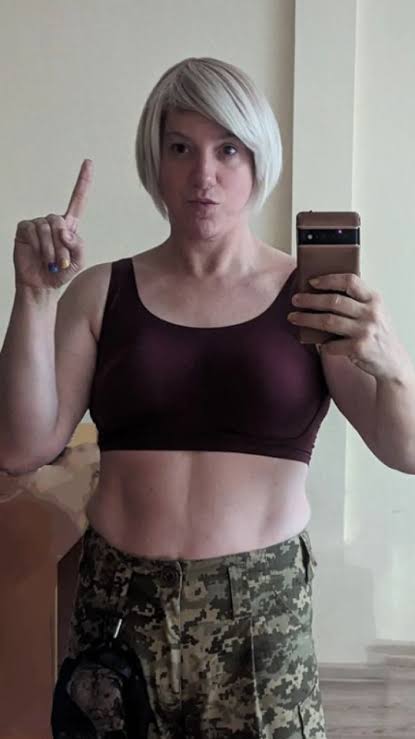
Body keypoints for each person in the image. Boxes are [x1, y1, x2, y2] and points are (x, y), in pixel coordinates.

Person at [1, 56, 415, 739]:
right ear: (154, 161)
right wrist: (34, 296)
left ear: (258, 159)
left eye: (228, 149)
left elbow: (405, 450)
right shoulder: (101, 292)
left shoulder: (311, 299)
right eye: (180, 148)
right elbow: (20, 447)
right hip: (118, 610)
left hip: (261, 620)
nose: (203, 175)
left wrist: (393, 366)